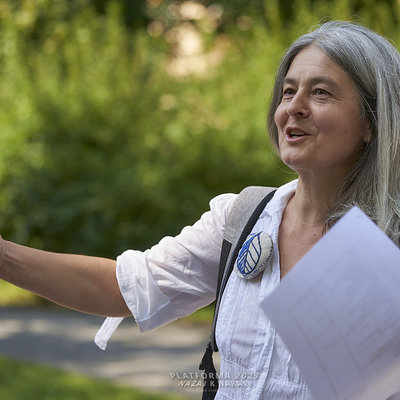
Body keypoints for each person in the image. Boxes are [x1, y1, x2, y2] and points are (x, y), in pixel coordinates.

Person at [1, 20, 400, 399]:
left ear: (372, 122)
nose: (293, 107)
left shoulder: (389, 247)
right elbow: (121, 287)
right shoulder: (243, 218)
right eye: (288, 91)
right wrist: (5, 257)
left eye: (321, 93)